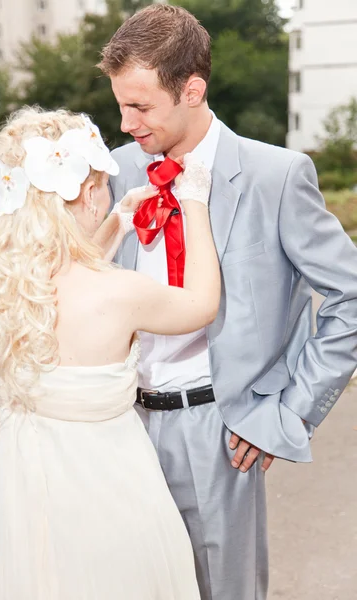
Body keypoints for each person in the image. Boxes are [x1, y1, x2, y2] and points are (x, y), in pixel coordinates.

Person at [99, 5, 357, 600]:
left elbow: (348, 297)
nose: (126, 122)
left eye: (140, 106)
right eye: (120, 104)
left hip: (218, 430)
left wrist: (289, 410)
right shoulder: (116, 171)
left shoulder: (278, 175)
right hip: (120, 430)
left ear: (192, 89)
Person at [0, 106, 221, 599]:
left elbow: (60, 288)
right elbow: (201, 304)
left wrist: (115, 224)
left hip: (32, 488)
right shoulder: (120, 292)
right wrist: (194, 202)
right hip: (109, 490)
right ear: (88, 194)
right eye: (103, 184)